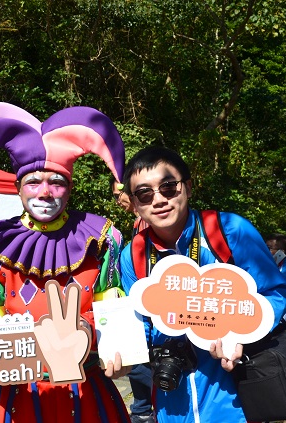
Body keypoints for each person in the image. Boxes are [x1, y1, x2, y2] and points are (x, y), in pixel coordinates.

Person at [0, 102, 131, 422]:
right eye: (33, 182)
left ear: (70, 188)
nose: (45, 192)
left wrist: (110, 344)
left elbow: (112, 305)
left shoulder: (101, 240)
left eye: (56, 182)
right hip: (19, 392)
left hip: (85, 391)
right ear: (17, 187)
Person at [119, 146, 286, 423]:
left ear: (188, 187)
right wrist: (121, 353)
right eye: (145, 193)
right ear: (134, 203)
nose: (159, 200)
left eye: (168, 187)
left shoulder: (230, 232)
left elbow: (279, 293)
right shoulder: (133, 255)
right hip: (171, 404)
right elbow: (140, 325)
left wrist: (243, 331)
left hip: (236, 401)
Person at [110, 178, 155, 423]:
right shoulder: (138, 224)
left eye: (119, 195)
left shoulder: (150, 221)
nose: (117, 200)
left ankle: (143, 409)